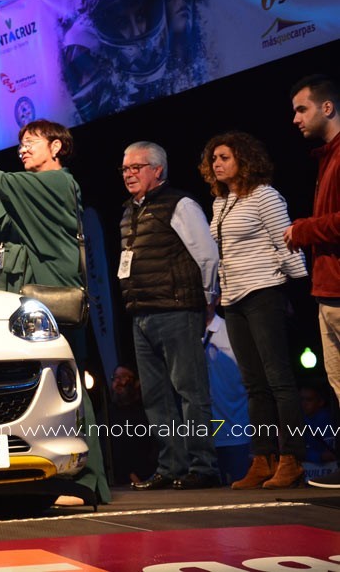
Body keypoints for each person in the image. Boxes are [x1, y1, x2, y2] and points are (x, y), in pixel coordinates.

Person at [0, 108, 111, 506]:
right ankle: (41, 476)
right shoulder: (27, 194)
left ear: (56, 148)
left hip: (50, 309)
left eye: (31, 142)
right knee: (37, 394)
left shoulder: (56, 184)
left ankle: (85, 483)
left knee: (69, 395)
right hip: (25, 314)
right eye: (20, 143)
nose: (22, 149)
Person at [198, 130, 309, 489]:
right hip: (234, 300)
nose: (217, 164)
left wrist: (301, 285)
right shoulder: (221, 202)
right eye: (213, 159)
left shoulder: (265, 196)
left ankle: (292, 458)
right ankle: (262, 459)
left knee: (279, 380)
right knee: (254, 385)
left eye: (224, 157)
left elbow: (286, 242)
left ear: (244, 161)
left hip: (265, 292)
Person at [118, 141, 221, 490]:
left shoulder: (181, 204)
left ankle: (202, 466)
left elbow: (207, 255)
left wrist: (207, 301)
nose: (129, 174)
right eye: (125, 169)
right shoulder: (129, 211)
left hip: (178, 309)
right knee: (155, 396)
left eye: (137, 167)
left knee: (190, 391)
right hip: (141, 313)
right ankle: (171, 466)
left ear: (157, 170)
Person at [285, 73, 340, 489]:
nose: (295, 119)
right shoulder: (326, 158)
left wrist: (303, 229)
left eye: (301, 109)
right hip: (327, 290)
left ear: (327, 107)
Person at [203, 313, 252, 486]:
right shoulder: (187, 333)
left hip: (235, 430)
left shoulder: (230, 330)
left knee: (240, 496)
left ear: (216, 297)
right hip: (202, 436)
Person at [106, 363, 157, 485]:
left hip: (147, 476)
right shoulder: (106, 415)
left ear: (136, 382)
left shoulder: (147, 413)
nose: (118, 382)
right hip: (116, 481)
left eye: (123, 377)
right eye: (115, 377)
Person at [300, 381, 338, 482]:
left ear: (321, 402)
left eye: (309, 400)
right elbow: (298, 450)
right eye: (301, 399)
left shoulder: (332, 420)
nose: (304, 404)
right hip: (311, 469)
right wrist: (319, 456)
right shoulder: (298, 422)